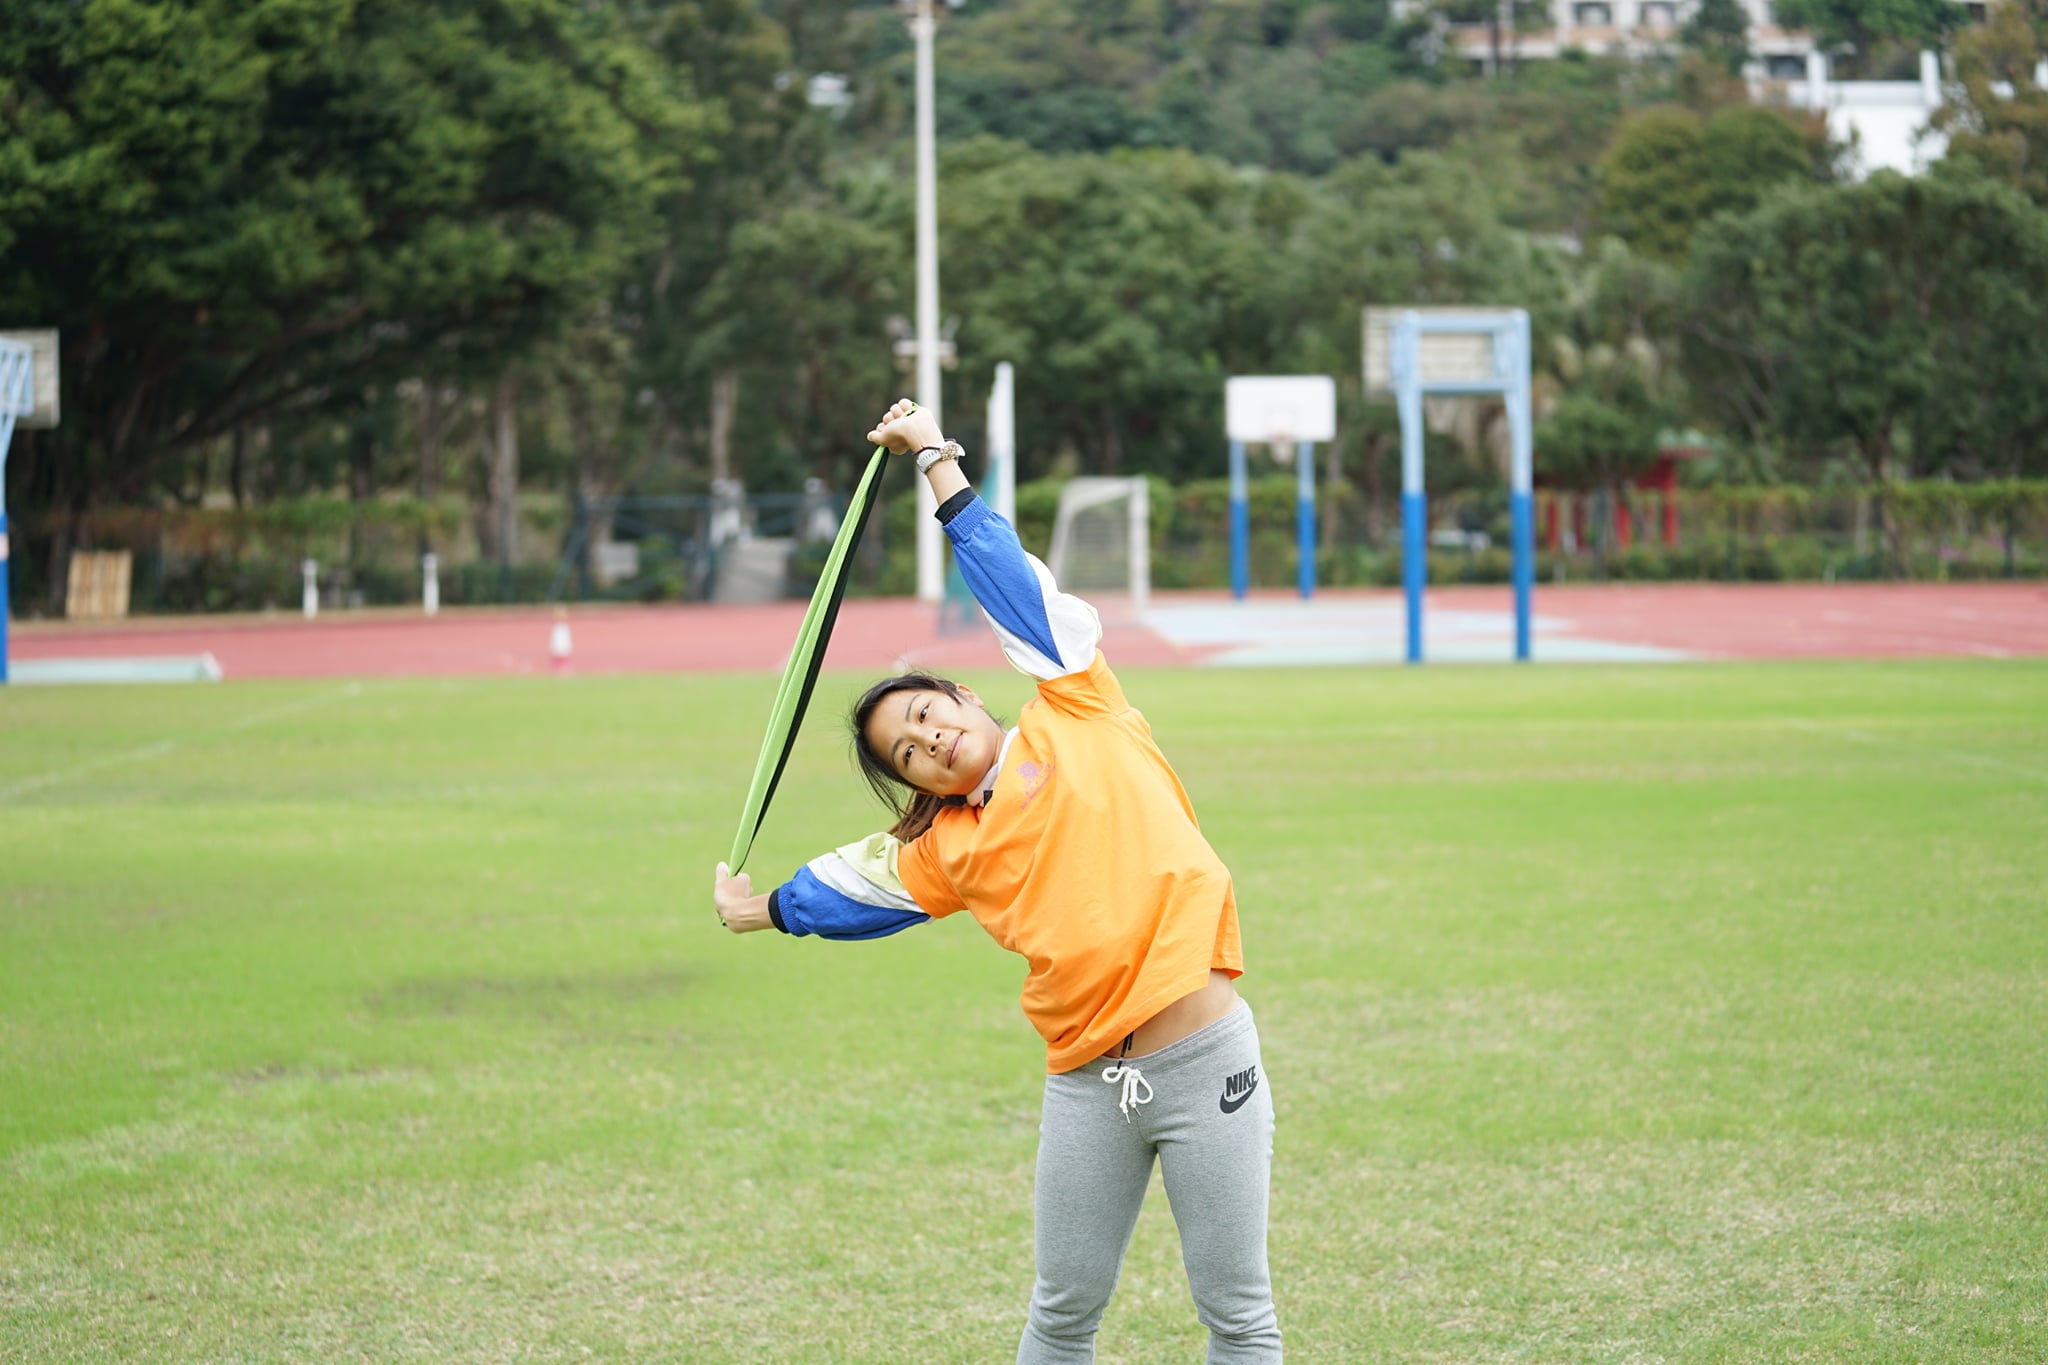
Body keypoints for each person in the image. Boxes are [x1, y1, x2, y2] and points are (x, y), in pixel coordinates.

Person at [712, 398, 1282, 1364]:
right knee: (1061, 1317)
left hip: (1202, 1056)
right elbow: (845, 887)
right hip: (1088, 1081)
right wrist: (760, 908)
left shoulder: (1072, 702)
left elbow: (1006, 579)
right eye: (906, 751)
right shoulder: (944, 851)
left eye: (927, 714)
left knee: (1237, 1317)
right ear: (913, 782)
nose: (926, 738)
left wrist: (935, 458)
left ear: (965, 695)